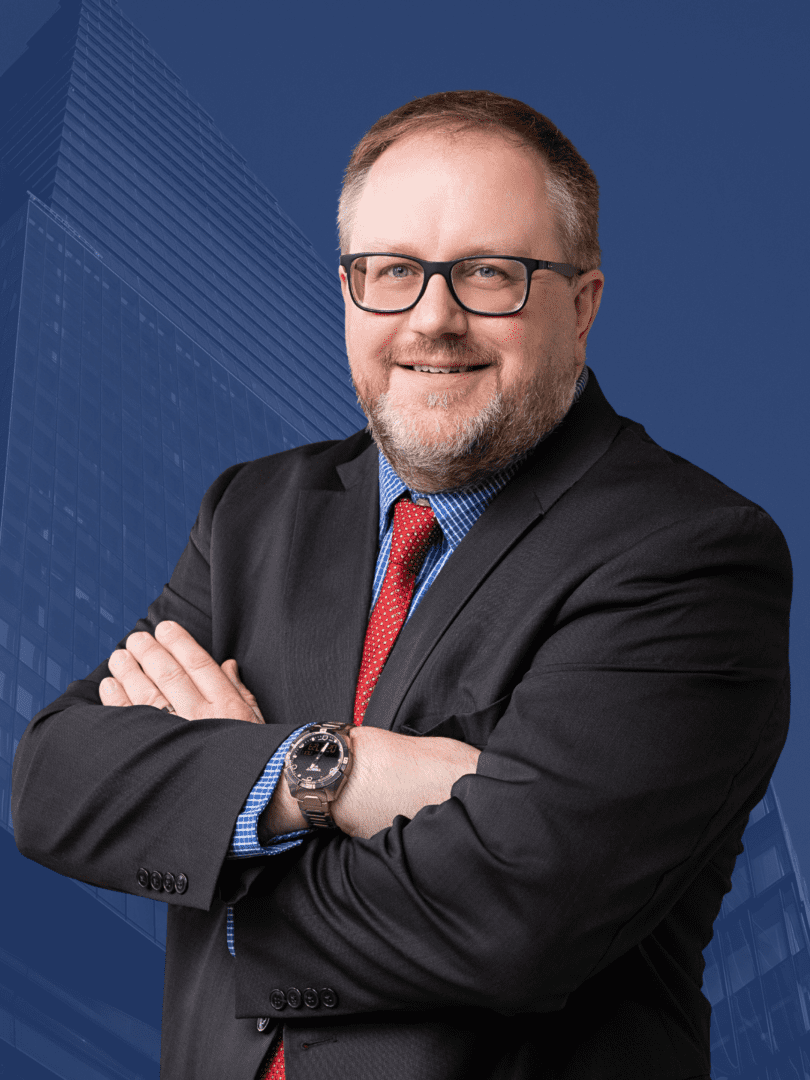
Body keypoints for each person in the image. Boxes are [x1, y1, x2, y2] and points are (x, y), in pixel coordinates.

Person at [11, 91, 791, 1080]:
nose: (432, 319)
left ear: (584, 305)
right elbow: (54, 785)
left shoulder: (689, 551)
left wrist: (221, 828)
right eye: (391, 272)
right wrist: (336, 772)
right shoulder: (253, 511)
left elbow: (517, 915)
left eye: (490, 273)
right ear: (348, 291)